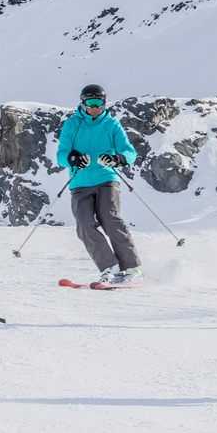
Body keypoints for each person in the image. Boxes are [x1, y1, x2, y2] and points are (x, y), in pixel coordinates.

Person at [55, 83, 142, 284]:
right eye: (91, 102)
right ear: (83, 103)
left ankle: (132, 268)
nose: (95, 107)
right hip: (80, 182)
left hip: (106, 179)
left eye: (99, 102)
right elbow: (61, 155)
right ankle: (110, 268)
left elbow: (129, 151)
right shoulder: (72, 124)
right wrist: (73, 158)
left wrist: (118, 159)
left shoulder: (112, 124)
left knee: (110, 218)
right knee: (84, 223)